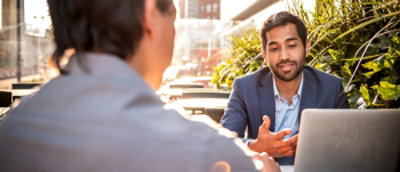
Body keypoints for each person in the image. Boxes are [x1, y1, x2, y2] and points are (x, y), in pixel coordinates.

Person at [0, 0, 280, 171]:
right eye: (172, 13)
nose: (174, 31)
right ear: (149, 13)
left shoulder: (9, 131)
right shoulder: (205, 152)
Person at [220, 11, 349, 165]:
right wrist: (254, 147)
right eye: (274, 49)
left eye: (292, 45)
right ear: (265, 56)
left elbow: (347, 145)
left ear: (306, 48)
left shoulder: (331, 88)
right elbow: (224, 141)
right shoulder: (245, 87)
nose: (284, 56)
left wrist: (320, 145)